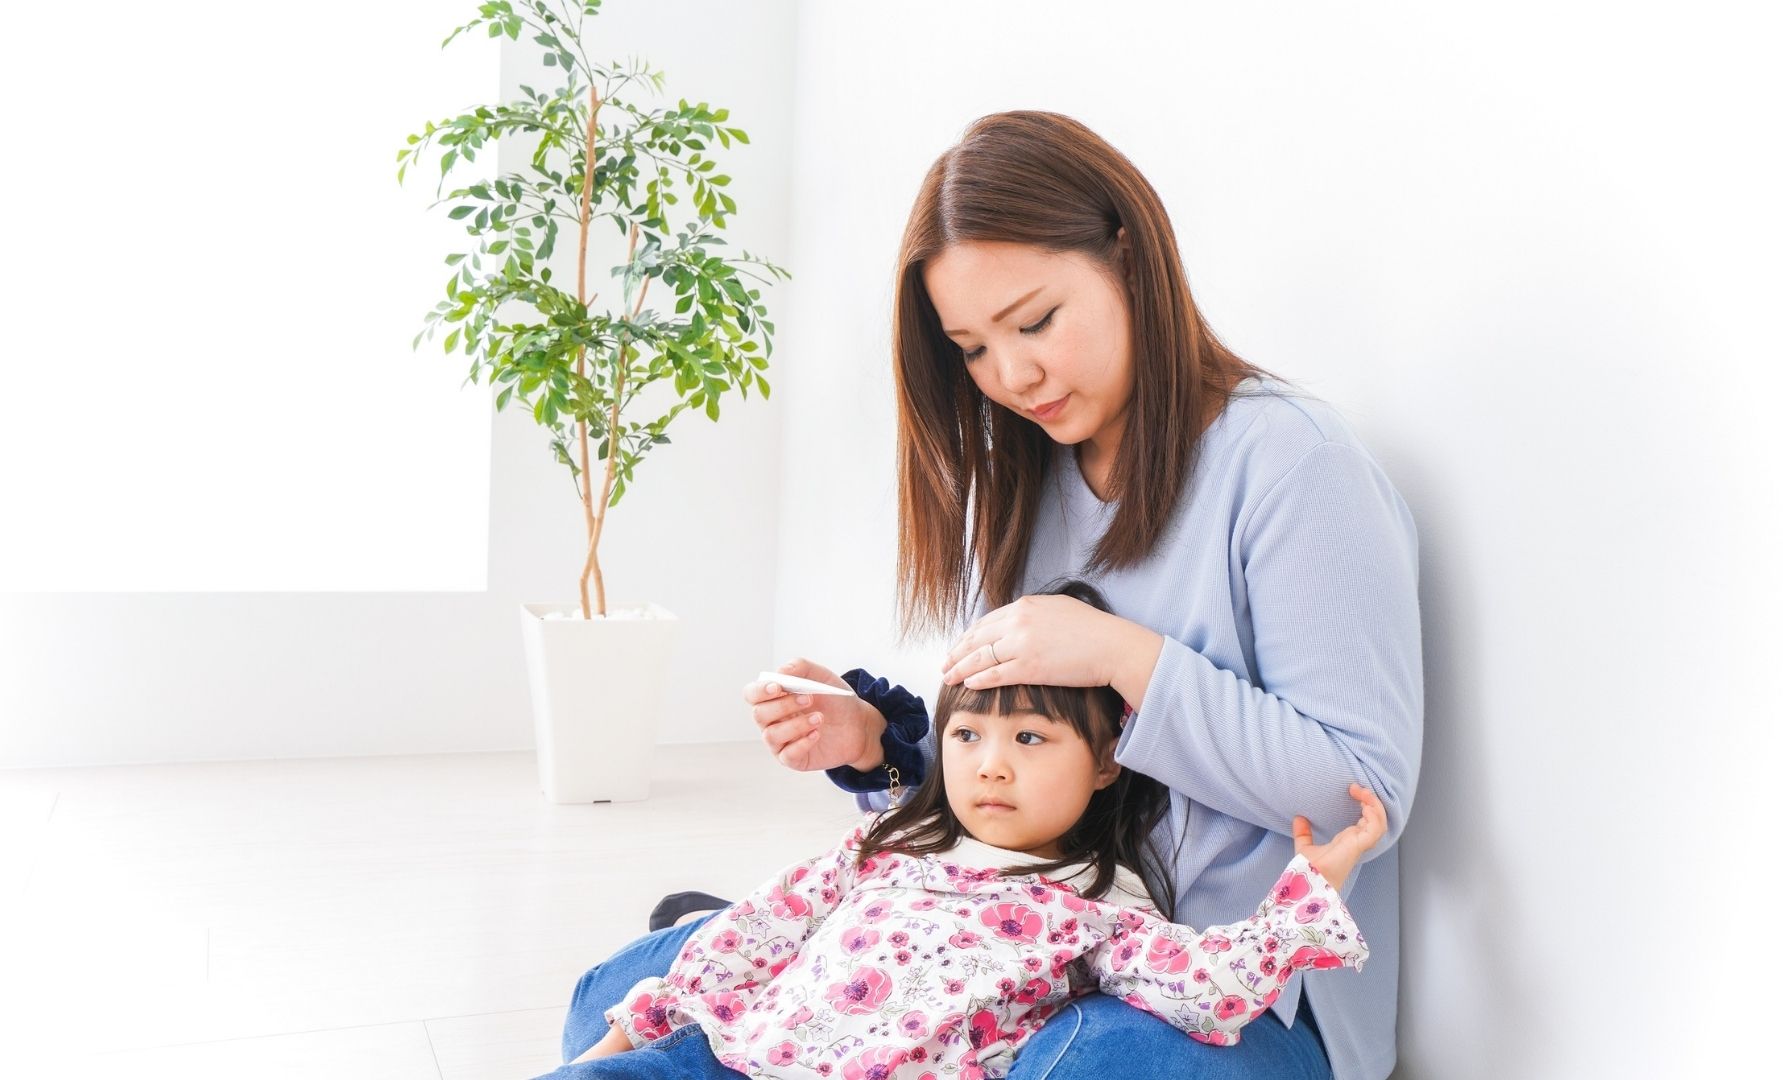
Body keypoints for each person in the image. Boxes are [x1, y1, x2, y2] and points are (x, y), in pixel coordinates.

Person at [555, 110, 1423, 1080]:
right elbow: (1015, 772)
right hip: (1013, 936)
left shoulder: (1293, 464)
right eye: (970, 347)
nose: (1011, 376)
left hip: (1215, 979)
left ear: (1128, 257)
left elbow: (1361, 795)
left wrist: (1121, 658)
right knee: (608, 998)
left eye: (1035, 321)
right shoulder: (1026, 475)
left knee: (1076, 1067)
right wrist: (876, 743)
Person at [553, 583, 1384, 1078]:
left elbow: (1206, 987)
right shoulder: (887, 847)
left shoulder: (1104, 908)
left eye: (1029, 739)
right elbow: (753, 934)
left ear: (1106, 762)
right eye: (966, 736)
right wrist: (617, 1044)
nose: (990, 767)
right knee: (610, 1008)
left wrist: (1309, 893)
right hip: (728, 1058)